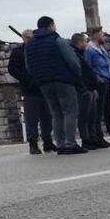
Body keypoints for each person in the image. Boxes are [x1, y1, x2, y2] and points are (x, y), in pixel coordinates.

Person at [23, 16, 86, 154]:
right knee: (70, 111)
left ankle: (61, 144)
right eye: (54, 25)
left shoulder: (30, 45)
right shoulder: (58, 40)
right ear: (50, 25)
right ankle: (70, 143)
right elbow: (73, 61)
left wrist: (39, 78)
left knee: (56, 113)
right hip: (63, 80)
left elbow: (28, 67)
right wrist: (77, 75)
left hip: (43, 83)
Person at [8, 29, 56, 154]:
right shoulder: (18, 52)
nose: (30, 40)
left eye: (32, 37)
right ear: (23, 38)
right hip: (30, 90)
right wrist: (27, 79)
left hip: (43, 88)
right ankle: (33, 144)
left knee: (47, 117)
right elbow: (12, 69)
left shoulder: (38, 50)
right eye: (28, 38)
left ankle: (48, 141)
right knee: (31, 119)